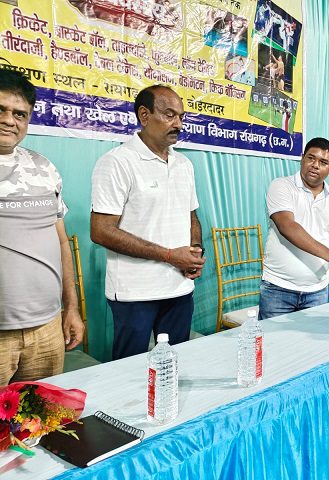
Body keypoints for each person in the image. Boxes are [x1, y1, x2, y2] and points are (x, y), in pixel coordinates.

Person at [91, 85, 205, 361]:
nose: (178, 124)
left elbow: (191, 216)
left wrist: (195, 251)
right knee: (129, 373)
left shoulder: (184, 164)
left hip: (179, 288)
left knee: (174, 366)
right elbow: (101, 231)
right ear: (144, 115)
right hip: (135, 293)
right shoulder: (117, 162)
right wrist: (169, 255)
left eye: (181, 117)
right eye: (169, 115)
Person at [0, 70, 84, 385]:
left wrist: (71, 308)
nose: (9, 120)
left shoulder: (44, 168)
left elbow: (61, 242)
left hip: (46, 329)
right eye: (1, 110)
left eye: (19, 114)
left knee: (44, 412)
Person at [259, 137, 329, 319]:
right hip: (278, 288)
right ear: (302, 158)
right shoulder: (281, 186)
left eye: (323, 162)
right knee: (273, 338)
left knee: (312, 339)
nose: (315, 165)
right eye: (311, 158)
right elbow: (288, 227)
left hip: (317, 291)